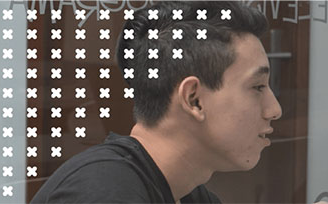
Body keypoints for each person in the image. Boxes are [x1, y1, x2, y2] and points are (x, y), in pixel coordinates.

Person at [32, 2, 280, 203]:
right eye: (257, 87)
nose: (274, 110)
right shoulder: (103, 191)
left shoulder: (190, 195)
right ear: (194, 99)